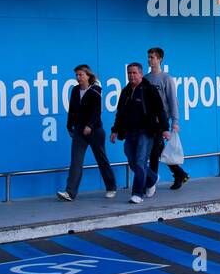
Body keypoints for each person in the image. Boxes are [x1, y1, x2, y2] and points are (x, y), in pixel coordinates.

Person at [110, 62, 169, 204]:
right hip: (129, 132)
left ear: (141, 74)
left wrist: (165, 128)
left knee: (140, 161)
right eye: (129, 73)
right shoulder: (125, 91)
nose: (131, 75)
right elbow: (120, 113)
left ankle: (137, 193)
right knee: (133, 162)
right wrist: (115, 130)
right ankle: (152, 178)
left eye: (134, 73)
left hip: (146, 132)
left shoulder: (149, 90)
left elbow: (160, 110)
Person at [57, 64, 117, 202]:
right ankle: (70, 192)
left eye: (81, 75)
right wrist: (69, 126)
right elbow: (71, 109)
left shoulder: (95, 91)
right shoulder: (75, 90)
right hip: (79, 131)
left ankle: (111, 187)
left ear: (88, 76)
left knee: (101, 159)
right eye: (76, 75)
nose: (78, 78)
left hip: (95, 131)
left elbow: (97, 112)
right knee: (76, 161)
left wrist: (90, 125)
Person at [145, 47, 189, 191]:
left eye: (152, 57)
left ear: (159, 59)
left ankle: (151, 184)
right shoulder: (146, 79)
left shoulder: (166, 79)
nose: (150, 59)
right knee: (159, 150)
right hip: (149, 121)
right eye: (149, 57)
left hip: (161, 121)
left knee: (154, 152)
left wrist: (175, 122)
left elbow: (172, 101)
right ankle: (179, 173)